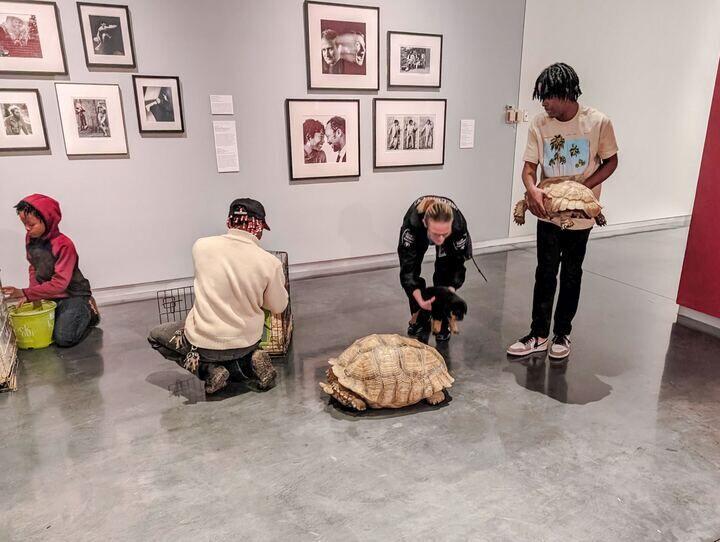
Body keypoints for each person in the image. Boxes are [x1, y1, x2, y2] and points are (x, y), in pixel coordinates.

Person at [507, 62, 618, 360]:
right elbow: (529, 169)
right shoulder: (540, 125)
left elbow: (611, 161)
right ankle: (538, 334)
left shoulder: (597, 122)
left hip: (580, 216)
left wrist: (585, 189)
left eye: (549, 96)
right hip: (549, 210)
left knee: (571, 273)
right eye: (541, 96)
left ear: (567, 93)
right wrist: (532, 190)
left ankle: (562, 333)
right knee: (544, 272)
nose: (544, 103)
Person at [148, 198, 289, 394]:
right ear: (259, 228)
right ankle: (250, 363)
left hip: (203, 342)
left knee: (156, 335)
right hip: (247, 342)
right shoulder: (269, 262)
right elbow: (278, 306)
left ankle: (208, 370)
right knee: (241, 345)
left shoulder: (201, 246)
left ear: (229, 222)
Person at [1, 194, 100, 348]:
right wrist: (32, 294)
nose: (27, 229)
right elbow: (33, 267)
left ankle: (88, 309)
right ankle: (64, 314)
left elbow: (60, 284)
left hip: (72, 295)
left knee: (63, 338)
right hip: (50, 294)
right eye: (24, 224)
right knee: (41, 328)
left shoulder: (64, 245)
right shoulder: (31, 239)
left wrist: (25, 293)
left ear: (48, 220)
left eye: (31, 224)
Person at [398, 196, 472, 342]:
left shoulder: (458, 226)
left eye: (444, 234)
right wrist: (420, 301)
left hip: (450, 234)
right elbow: (408, 271)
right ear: (426, 223)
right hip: (419, 232)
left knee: (444, 272)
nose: (440, 240)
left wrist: (448, 293)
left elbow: (457, 266)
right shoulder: (413, 225)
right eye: (436, 234)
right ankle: (419, 317)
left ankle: (443, 321)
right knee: (412, 273)